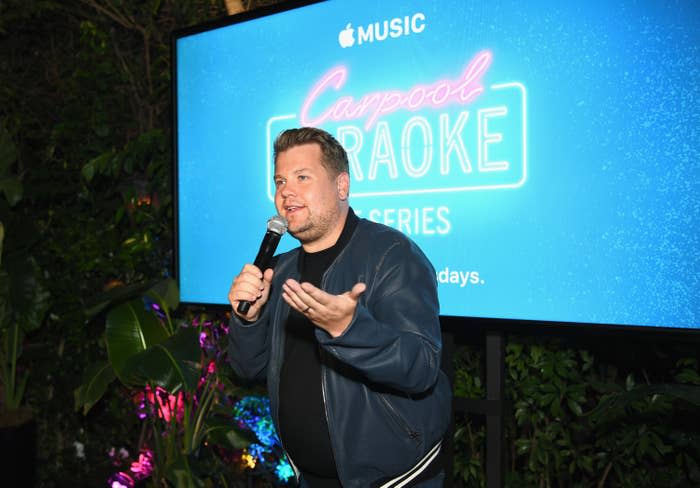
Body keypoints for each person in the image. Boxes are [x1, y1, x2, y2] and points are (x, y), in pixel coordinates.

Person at [227, 127, 451, 487]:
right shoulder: (281, 269)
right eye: (280, 180)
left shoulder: (393, 256)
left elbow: (421, 367)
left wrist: (349, 330)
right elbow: (246, 369)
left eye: (302, 177)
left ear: (341, 186)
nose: (286, 192)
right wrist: (248, 319)